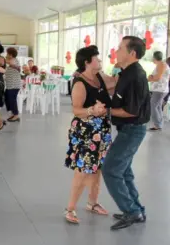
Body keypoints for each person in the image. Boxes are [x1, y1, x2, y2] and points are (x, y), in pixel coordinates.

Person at [102, 36, 150, 230]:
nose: (116, 50)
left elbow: (131, 111)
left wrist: (104, 111)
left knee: (111, 170)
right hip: (126, 129)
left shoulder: (135, 76)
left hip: (132, 130)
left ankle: (132, 211)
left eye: (120, 48)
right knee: (125, 172)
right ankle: (136, 209)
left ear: (131, 53)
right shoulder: (126, 72)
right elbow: (113, 87)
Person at [64, 46, 114, 224]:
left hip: (102, 131)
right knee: (83, 170)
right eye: (96, 58)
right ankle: (70, 208)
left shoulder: (100, 77)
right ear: (87, 62)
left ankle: (92, 203)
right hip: (86, 132)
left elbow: (114, 82)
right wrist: (92, 110)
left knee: (97, 167)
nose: (100, 61)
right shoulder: (80, 83)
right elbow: (76, 110)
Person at [148, 51, 170, 131]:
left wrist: (148, 79)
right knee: (157, 106)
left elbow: (158, 77)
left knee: (153, 106)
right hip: (161, 89)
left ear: (154, 57)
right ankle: (159, 124)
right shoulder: (161, 65)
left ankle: (157, 124)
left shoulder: (161, 64)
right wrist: (151, 77)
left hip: (160, 90)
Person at [4, 47, 22, 122]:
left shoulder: (13, 60)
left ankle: (16, 115)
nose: (6, 54)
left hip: (14, 85)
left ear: (11, 55)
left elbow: (10, 62)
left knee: (12, 99)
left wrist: (1, 59)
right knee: (7, 98)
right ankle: (12, 113)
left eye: (7, 53)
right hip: (10, 85)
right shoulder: (10, 60)